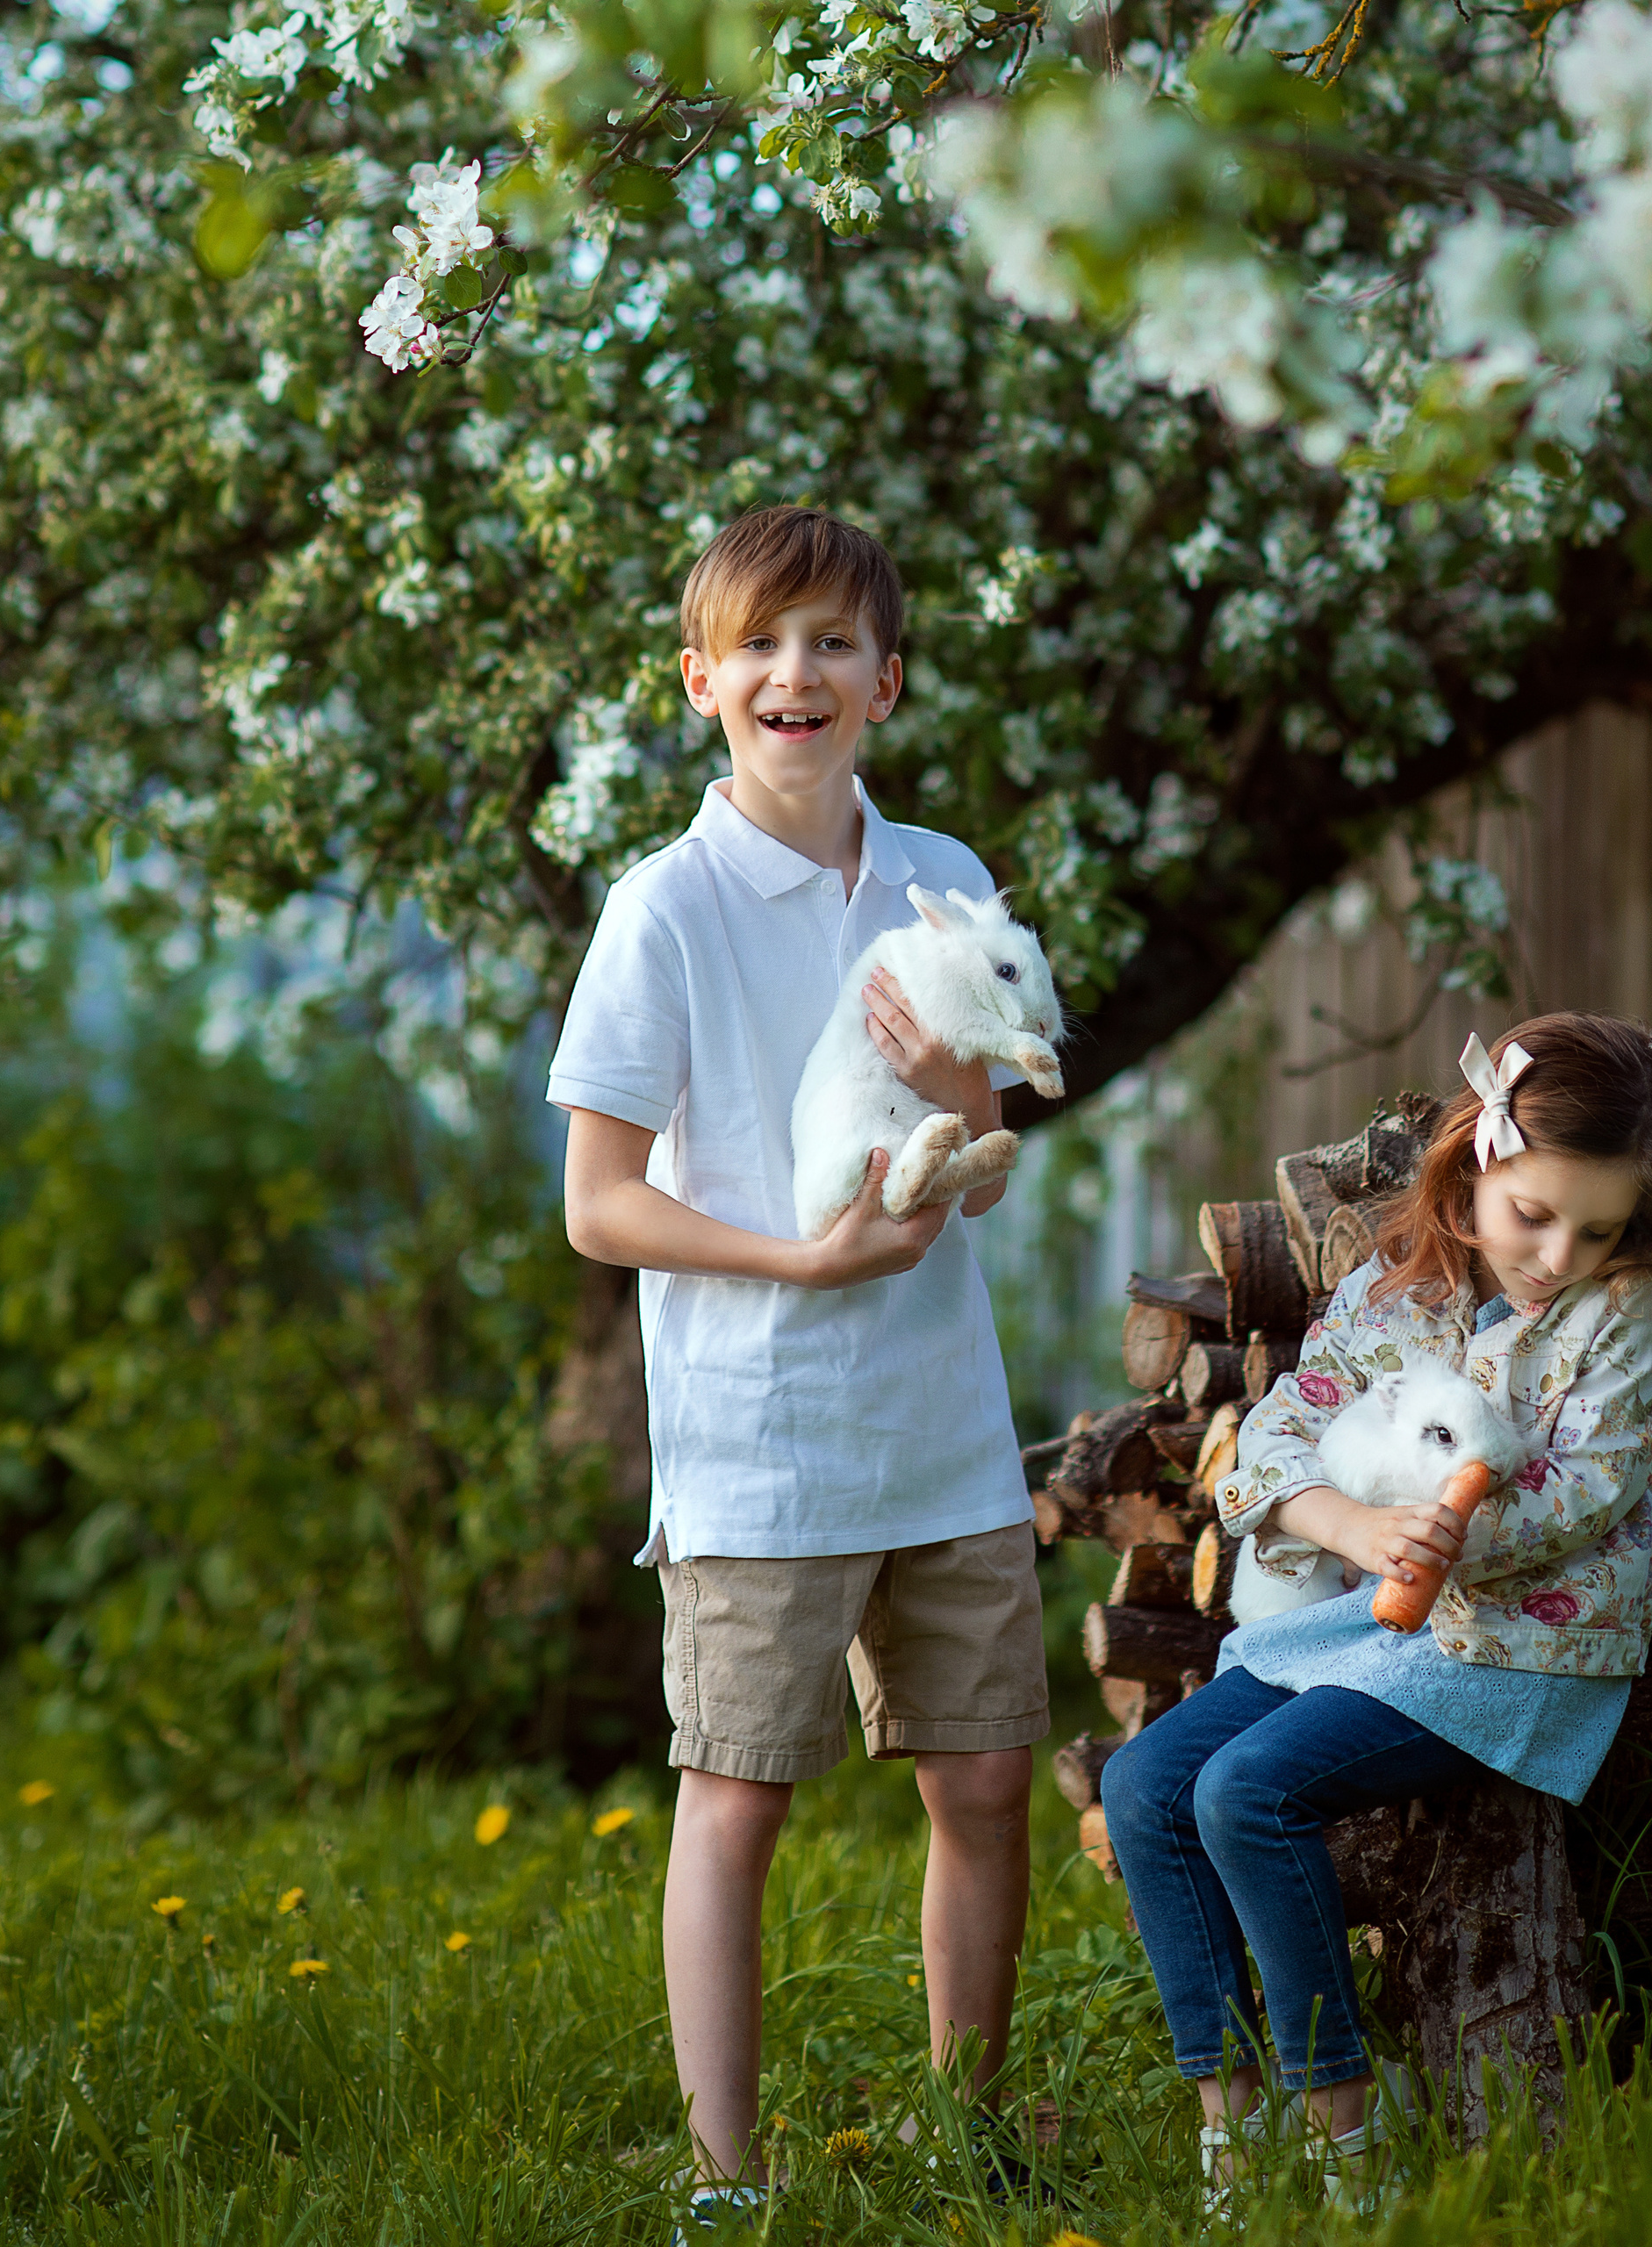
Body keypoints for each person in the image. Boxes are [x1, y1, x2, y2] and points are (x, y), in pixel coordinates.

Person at [549, 506, 1050, 2235]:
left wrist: (957, 1084)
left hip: (940, 1418)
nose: (795, 671)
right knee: (738, 1791)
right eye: (758, 644)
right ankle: (722, 2179)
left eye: (831, 642)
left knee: (982, 1778)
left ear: (885, 683)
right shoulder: (665, 907)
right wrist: (798, 1258)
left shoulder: (944, 881)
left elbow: (984, 1141)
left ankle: (962, 2131)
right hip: (760, 1432)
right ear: (700, 682)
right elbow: (597, 1206)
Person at [1101, 1012, 1652, 2215]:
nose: (1560, 1254)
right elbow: (1279, 1432)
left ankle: (1343, 2129)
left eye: (1600, 1228)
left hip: (1526, 1642)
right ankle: (1234, 2136)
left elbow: (1580, 1494)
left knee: (1250, 1793)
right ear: (1477, 1165)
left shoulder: (1631, 1320)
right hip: (1373, 1621)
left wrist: (1445, 1535)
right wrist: (1345, 1525)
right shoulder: (1397, 1292)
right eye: (1536, 1215)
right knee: (1146, 1790)